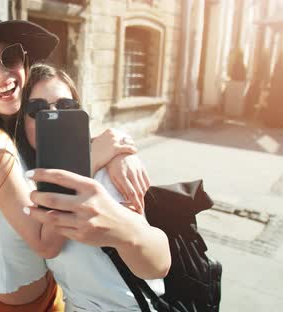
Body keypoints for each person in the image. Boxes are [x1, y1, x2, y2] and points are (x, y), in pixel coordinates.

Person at [0, 15, 151, 311]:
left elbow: (60, 138)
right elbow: (45, 244)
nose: (2, 75)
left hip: (41, 296)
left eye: (10, 57)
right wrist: (94, 158)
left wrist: (120, 148)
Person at [17, 63, 171, 311]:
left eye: (66, 106)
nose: (54, 114)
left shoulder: (107, 172)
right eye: (37, 109)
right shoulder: (21, 180)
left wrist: (125, 233)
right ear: (22, 122)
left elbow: (157, 265)